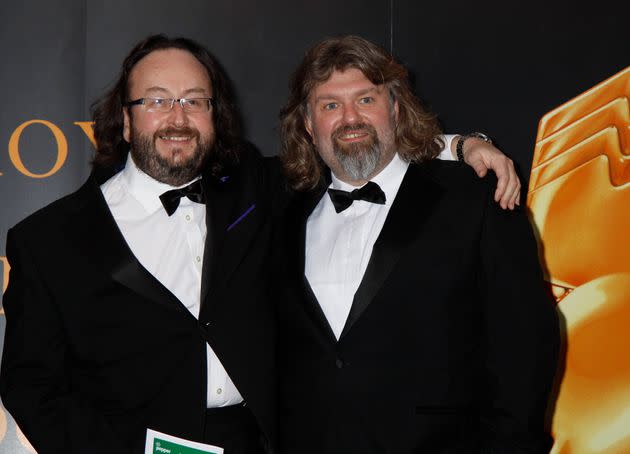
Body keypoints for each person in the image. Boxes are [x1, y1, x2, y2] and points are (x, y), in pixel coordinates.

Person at [0, 34, 519, 454]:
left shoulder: (252, 186)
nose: (177, 118)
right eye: (157, 101)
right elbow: (31, 385)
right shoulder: (47, 240)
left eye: (195, 102)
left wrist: (462, 145)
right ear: (126, 117)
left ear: (213, 114)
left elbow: (353, 143)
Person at [276, 35, 559, 453]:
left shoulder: (474, 199)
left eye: (366, 100)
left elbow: (526, 348)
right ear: (307, 122)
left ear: (394, 107)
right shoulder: (281, 208)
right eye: (330, 105)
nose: (350, 118)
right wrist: (462, 143)